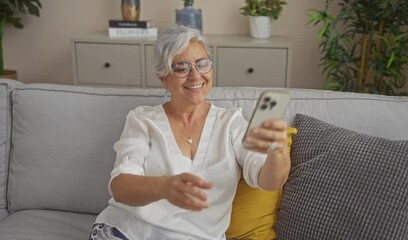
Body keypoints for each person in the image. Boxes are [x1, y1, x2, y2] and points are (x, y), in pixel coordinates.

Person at [89, 24, 291, 240]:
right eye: (181, 68)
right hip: (129, 231)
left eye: (202, 64)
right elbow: (120, 187)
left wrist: (277, 150)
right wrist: (164, 186)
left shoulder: (231, 123)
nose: (196, 76)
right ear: (163, 77)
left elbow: (269, 181)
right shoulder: (142, 119)